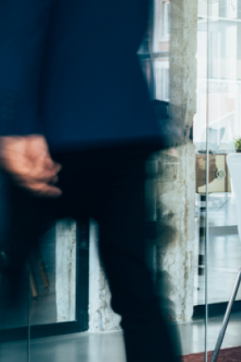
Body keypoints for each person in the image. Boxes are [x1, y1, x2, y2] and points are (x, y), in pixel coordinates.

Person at [0, 1, 180, 361]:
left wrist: (14, 126)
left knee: (6, 266)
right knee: (137, 292)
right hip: (122, 125)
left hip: (52, 128)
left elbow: (20, 26)